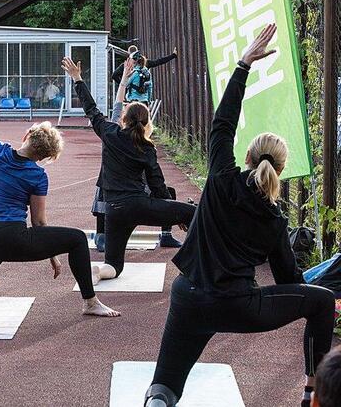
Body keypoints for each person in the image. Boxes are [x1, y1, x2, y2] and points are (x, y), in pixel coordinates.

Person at [143, 24, 336, 407]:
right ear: (279, 170)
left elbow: (222, 122)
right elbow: (287, 281)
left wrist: (244, 64)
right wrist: (314, 282)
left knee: (163, 388)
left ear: (247, 157)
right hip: (240, 306)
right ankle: (314, 393)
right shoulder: (274, 220)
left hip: (189, 297)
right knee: (321, 300)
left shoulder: (219, 179)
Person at [0, 72, 119, 327]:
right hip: (10, 238)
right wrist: (52, 250)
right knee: (76, 239)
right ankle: (90, 302)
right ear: (45, 157)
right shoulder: (37, 175)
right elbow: (39, 224)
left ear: (26, 136)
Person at [61, 57, 195, 284]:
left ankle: (97, 271)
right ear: (147, 122)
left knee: (114, 266)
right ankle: (194, 265)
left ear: (123, 119)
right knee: (194, 213)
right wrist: (173, 212)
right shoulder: (147, 147)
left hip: (114, 210)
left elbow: (91, 110)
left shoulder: (109, 133)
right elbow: (158, 186)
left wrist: (77, 79)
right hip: (139, 205)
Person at [91, 58, 185, 252]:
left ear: (125, 118)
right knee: (105, 191)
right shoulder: (122, 134)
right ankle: (102, 234)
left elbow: (116, 103)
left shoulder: (113, 131)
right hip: (125, 188)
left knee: (167, 192)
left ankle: (165, 234)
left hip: (128, 188)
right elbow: (157, 182)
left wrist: (124, 78)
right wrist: (176, 213)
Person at [110, 45, 177, 86]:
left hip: (131, 95)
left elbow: (114, 75)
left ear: (129, 53)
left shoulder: (126, 66)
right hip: (143, 93)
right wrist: (173, 55)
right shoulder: (144, 62)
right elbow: (159, 61)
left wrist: (124, 84)